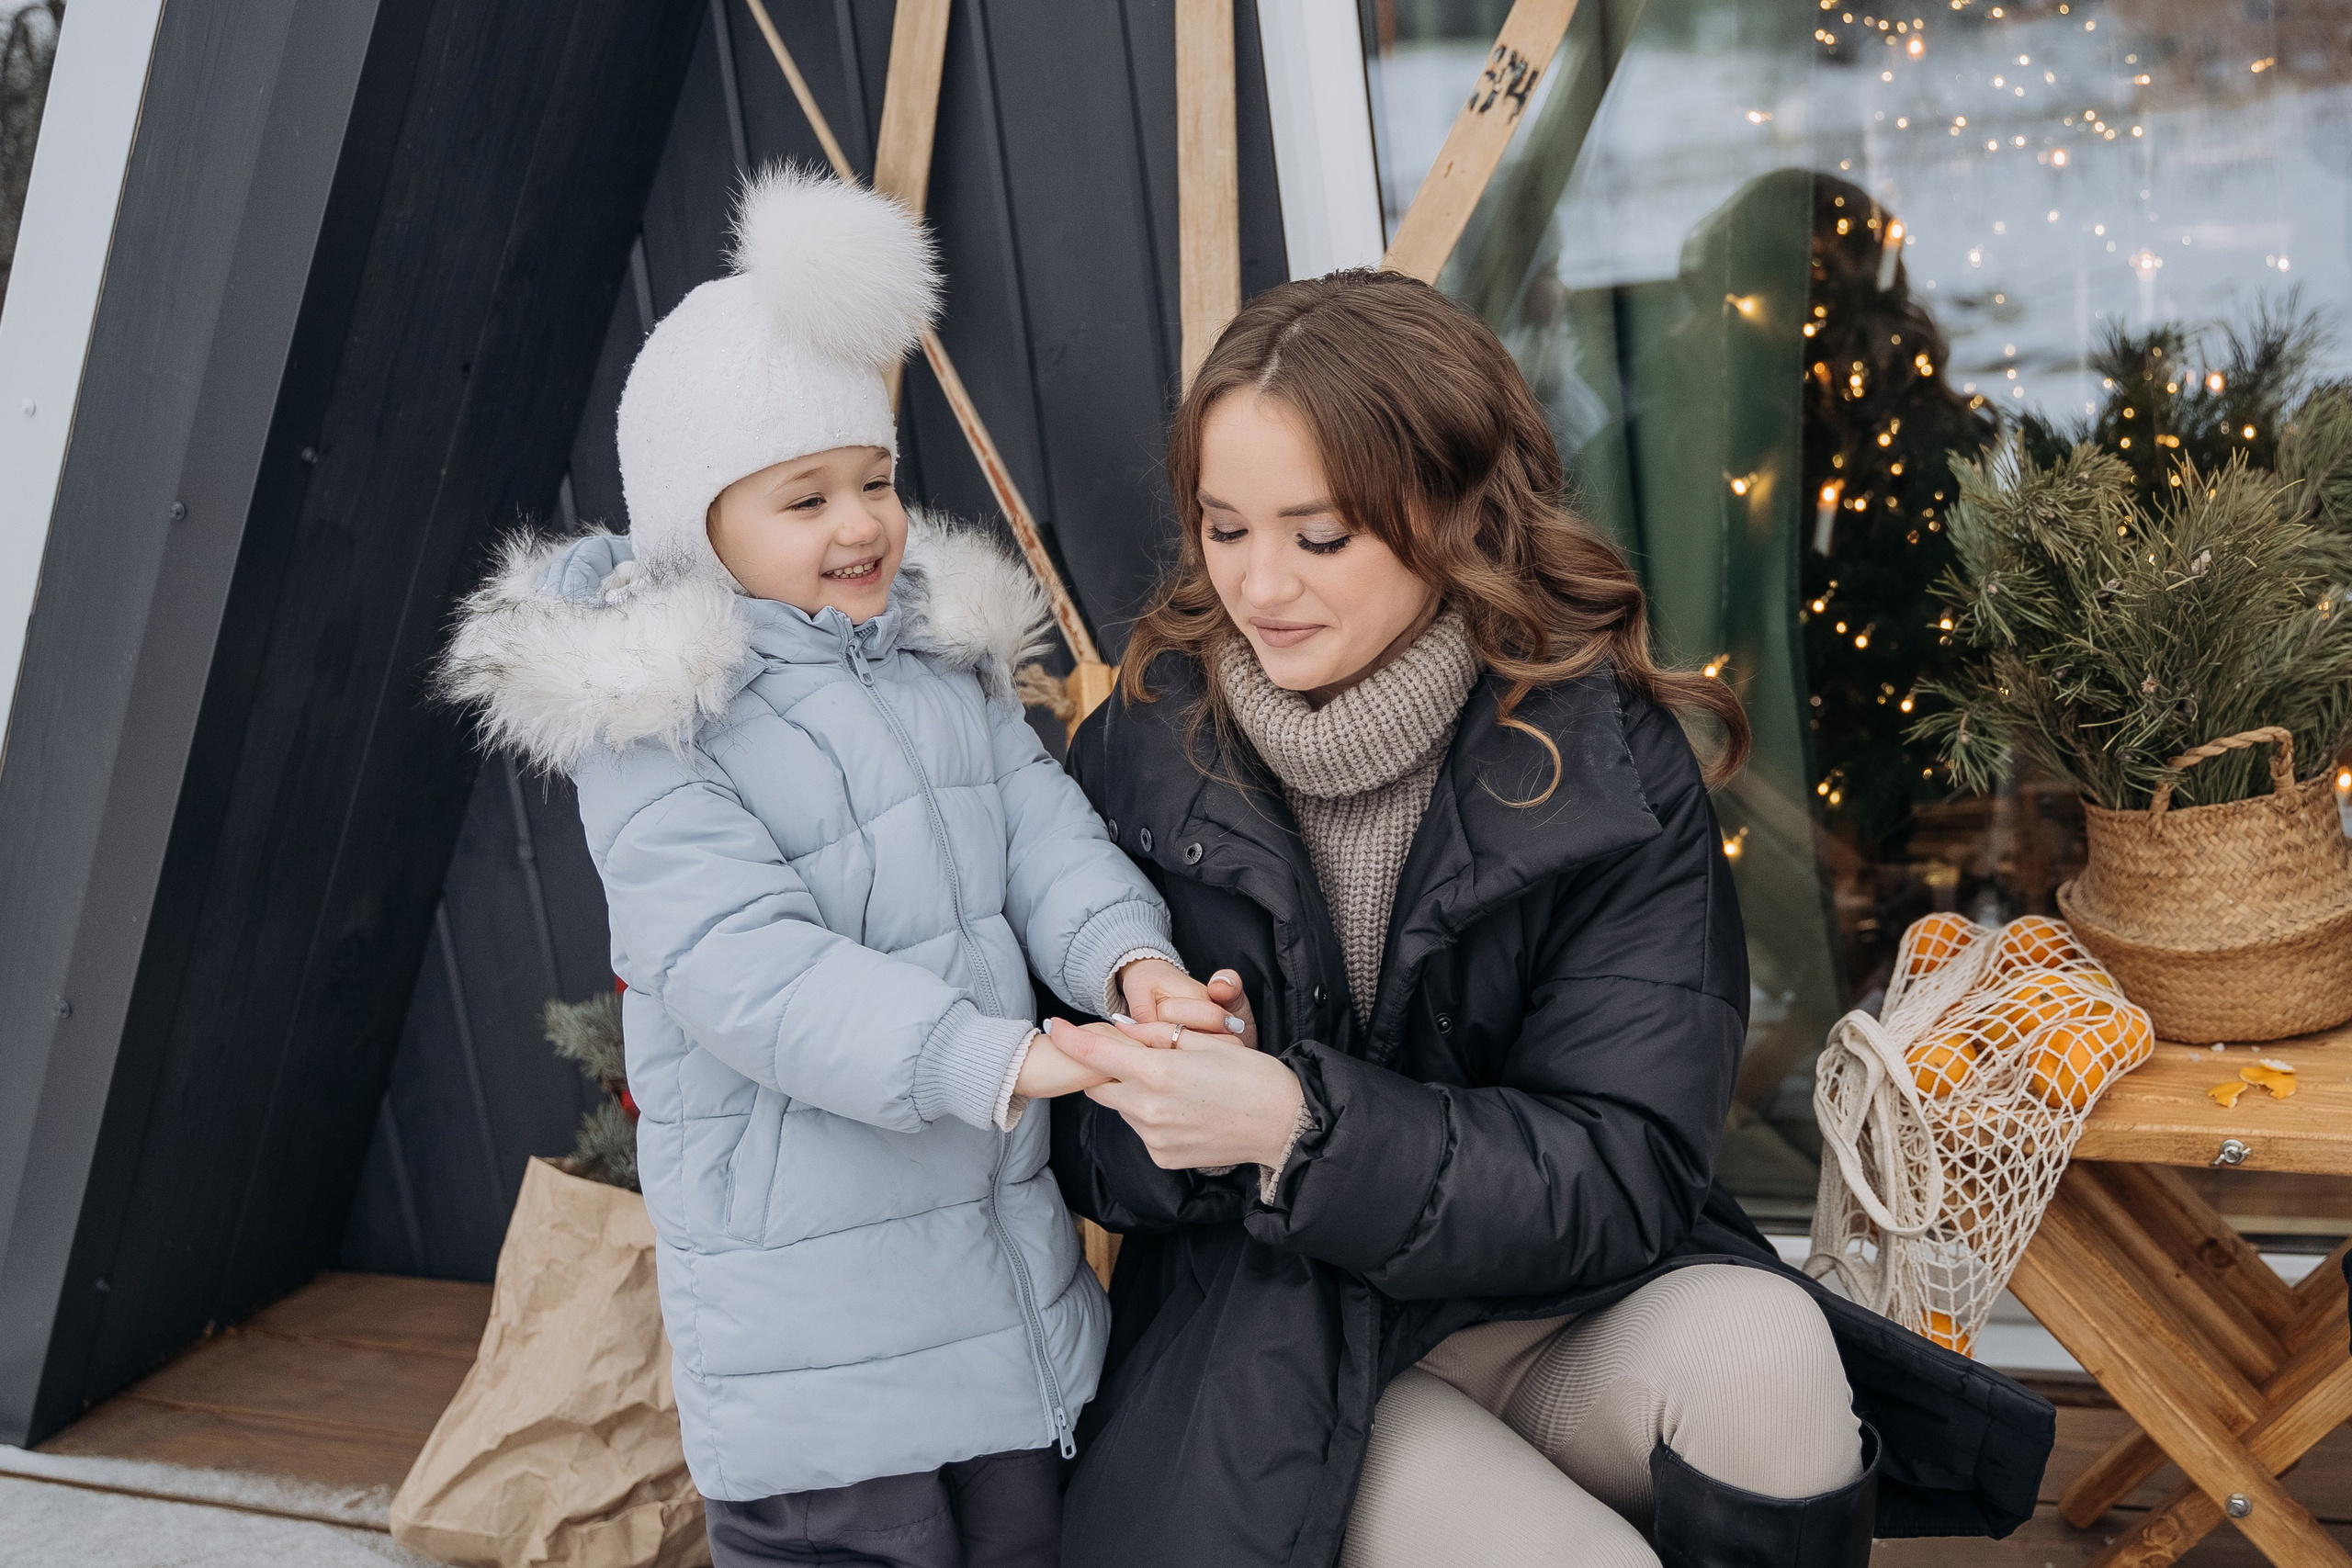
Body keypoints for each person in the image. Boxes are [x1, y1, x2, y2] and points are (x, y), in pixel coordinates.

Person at [1047, 269, 2054, 1568]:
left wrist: (1301, 1131)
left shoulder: (1604, 759)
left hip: (1558, 1304)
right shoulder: (1142, 748)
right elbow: (1063, 1139)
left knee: (1769, 1351)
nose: (1261, 584)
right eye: (1224, 528)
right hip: (1281, 1347)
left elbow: (1629, 1162)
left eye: (1321, 536)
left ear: (1453, 514)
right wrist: (1167, 1106)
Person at [436, 167, 1210, 1568]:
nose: (861, 525)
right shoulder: (660, 729)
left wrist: (1128, 962)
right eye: (805, 497)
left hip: (993, 1281)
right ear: (699, 526)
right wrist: (991, 1057)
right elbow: (751, 974)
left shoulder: (932, 666)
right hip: (813, 1333)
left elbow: (1040, 831)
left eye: (875, 480)